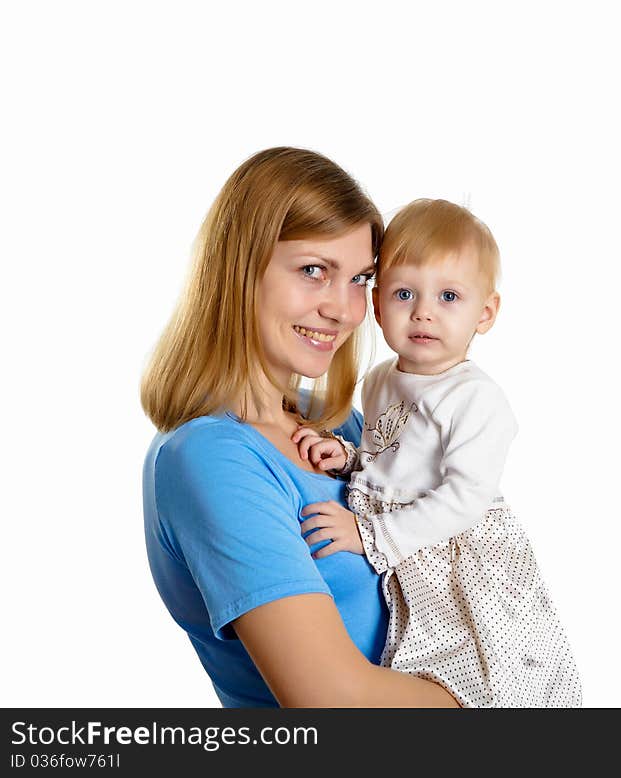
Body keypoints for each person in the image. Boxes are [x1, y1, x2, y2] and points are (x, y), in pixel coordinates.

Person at [141, 148, 458, 708]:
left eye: (361, 278)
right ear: (239, 271)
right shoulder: (211, 459)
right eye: (315, 271)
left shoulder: (345, 431)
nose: (344, 309)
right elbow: (332, 702)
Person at [292, 199, 582, 707]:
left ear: (485, 312)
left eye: (449, 296)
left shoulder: (475, 397)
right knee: (414, 663)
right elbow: (394, 459)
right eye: (405, 293)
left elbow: (465, 497)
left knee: (485, 668)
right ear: (378, 305)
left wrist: (370, 534)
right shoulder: (381, 380)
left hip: (458, 554)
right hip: (412, 551)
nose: (423, 312)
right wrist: (348, 458)